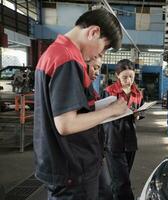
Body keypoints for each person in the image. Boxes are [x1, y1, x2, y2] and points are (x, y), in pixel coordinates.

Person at [33, 8, 128, 200]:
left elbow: (71, 109)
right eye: (104, 48)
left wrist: (101, 107)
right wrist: (111, 111)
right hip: (72, 167)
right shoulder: (67, 58)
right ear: (94, 32)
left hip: (76, 162)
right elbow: (66, 124)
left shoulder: (57, 53)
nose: (100, 54)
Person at [100, 59, 143, 200]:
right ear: (117, 75)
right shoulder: (109, 92)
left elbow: (140, 113)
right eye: (125, 77)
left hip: (130, 141)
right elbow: (101, 115)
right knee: (122, 182)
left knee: (120, 181)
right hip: (113, 140)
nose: (129, 80)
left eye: (131, 76)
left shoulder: (137, 93)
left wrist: (137, 115)